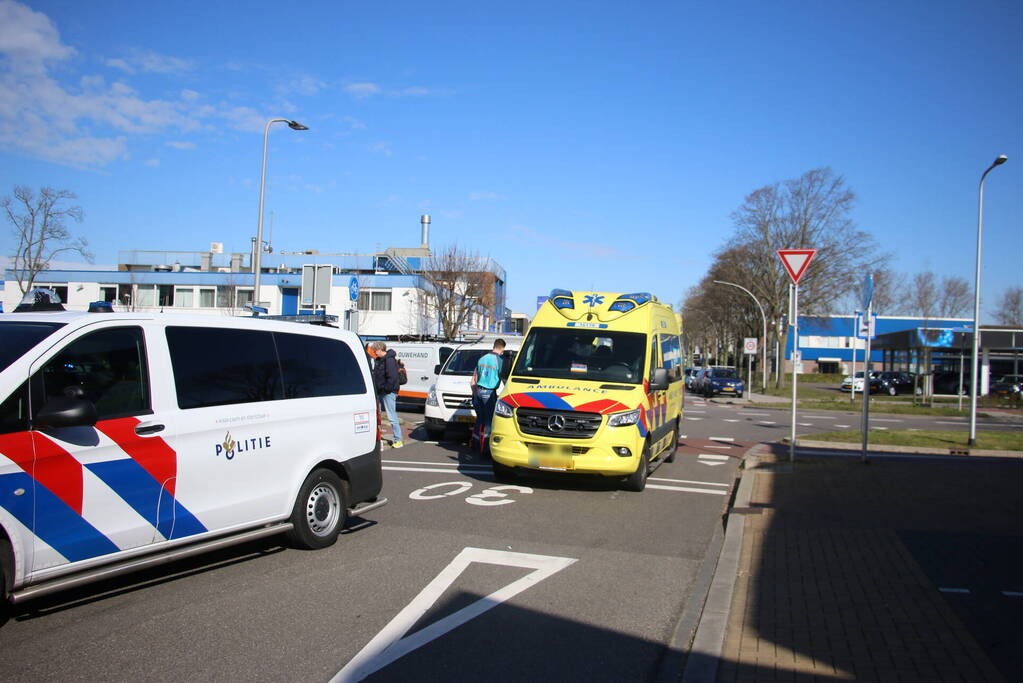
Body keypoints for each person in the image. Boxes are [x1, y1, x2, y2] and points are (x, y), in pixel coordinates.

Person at [470, 338, 506, 452]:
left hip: (479, 391)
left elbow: (474, 379)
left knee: (480, 419)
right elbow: (504, 377)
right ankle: (485, 448)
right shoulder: (500, 360)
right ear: (502, 349)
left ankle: (475, 444)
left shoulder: (482, 359)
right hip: (489, 393)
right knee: (489, 422)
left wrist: (475, 394)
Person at [371, 341, 403, 448]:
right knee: (379, 415)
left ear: (380, 349)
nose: (375, 353)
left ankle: (398, 440)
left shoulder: (389, 360)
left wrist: (386, 389)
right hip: (381, 391)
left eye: (375, 350)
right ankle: (378, 437)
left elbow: (392, 377)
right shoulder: (380, 360)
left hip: (388, 392)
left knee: (391, 416)